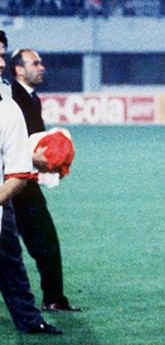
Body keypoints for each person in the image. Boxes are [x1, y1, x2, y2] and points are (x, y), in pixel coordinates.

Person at [7, 49, 79, 313]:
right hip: (14, 183)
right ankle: (53, 298)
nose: (42, 67)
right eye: (35, 63)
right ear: (18, 69)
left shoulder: (29, 98)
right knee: (39, 242)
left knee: (43, 241)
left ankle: (54, 297)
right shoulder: (12, 98)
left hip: (24, 181)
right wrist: (36, 159)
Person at [0, 73, 61, 335]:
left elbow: (18, 173)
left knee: (10, 260)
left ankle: (31, 319)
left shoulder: (8, 108)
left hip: (4, 202)